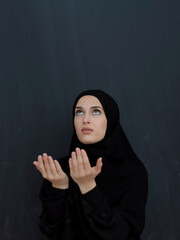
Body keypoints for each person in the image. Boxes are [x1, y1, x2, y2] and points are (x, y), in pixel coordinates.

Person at [33, 89, 148, 240]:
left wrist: (88, 187)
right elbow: (52, 231)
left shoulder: (132, 172)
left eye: (96, 112)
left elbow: (119, 234)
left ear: (110, 119)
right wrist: (60, 188)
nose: (85, 119)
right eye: (79, 112)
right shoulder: (59, 170)